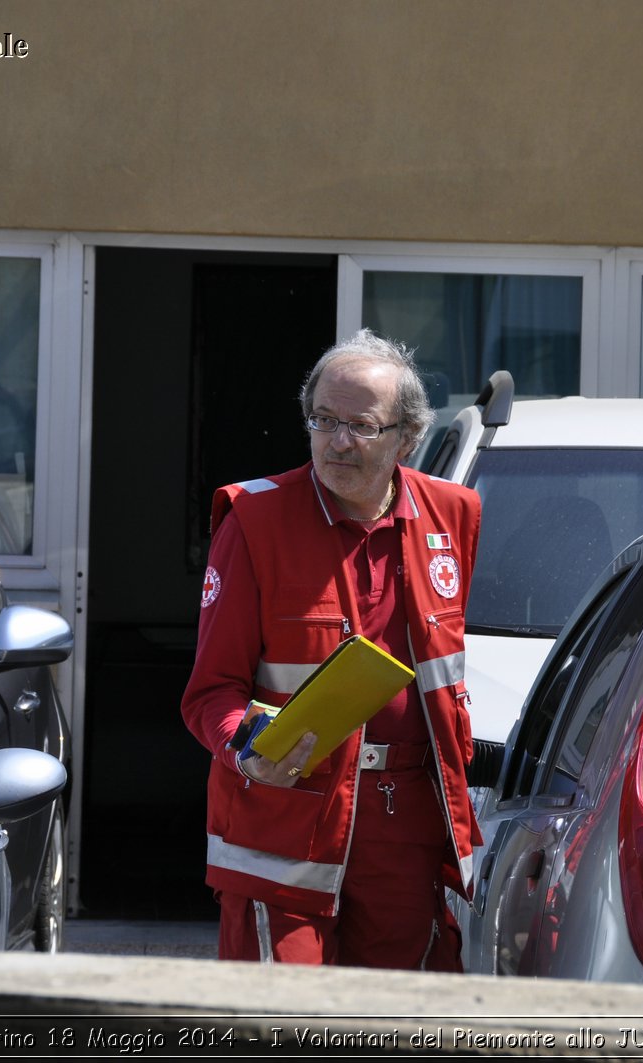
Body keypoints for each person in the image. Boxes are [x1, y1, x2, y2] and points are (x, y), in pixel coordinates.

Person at [181, 329, 481, 970]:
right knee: (281, 1026)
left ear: (407, 437)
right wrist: (246, 747)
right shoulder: (254, 522)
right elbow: (211, 693)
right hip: (281, 821)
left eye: (361, 426)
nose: (337, 442)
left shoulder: (454, 514)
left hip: (407, 828)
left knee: (395, 1026)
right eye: (324, 421)